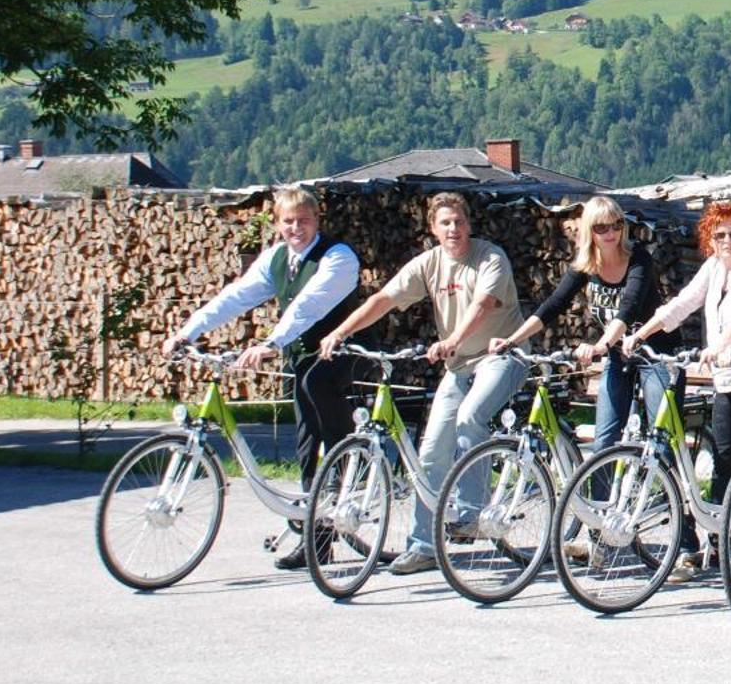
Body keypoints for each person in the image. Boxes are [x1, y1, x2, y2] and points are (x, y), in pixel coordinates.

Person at [320, 192, 527, 575]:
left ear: (469, 224)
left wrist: (452, 341)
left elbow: (483, 305)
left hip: (503, 356)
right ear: (433, 228)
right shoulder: (429, 263)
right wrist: (341, 332)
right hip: (460, 365)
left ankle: (468, 512)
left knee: (470, 417)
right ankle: (423, 546)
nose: (454, 230)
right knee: (430, 453)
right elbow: (384, 298)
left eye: (459, 222)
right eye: (445, 223)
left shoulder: (489, 256)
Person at [164, 185, 362, 569]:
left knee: (320, 407)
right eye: (288, 221)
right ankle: (317, 541)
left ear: (317, 220)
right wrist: (187, 331)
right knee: (306, 442)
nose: (296, 228)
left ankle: (345, 475)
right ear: (277, 224)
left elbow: (310, 305)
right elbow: (237, 296)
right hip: (303, 356)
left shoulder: (337, 257)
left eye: (303, 220)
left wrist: (272, 342)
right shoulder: (276, 259)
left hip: (343, 354)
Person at [490, 196, 658, 563]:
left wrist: (600, 343)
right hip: (617, 357)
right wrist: (513, 339)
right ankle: (600, 537)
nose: (610, 233)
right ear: (589, 232)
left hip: (653, 356)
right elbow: (552, 306)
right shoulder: (585, 265)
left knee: (663, 445)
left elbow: (628, 309)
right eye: (601, 227)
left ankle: (686, 536)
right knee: (603, 444)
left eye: (615, 225)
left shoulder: (639, 258)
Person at [623, 201, 731, 575]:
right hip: (727, 380)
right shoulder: (712, 268)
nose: (727, 241)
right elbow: (682, 304)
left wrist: (720, 347)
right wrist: (640, 333)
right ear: (710, 239)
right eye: (719, 234)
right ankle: (718, 544)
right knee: (723, 460)